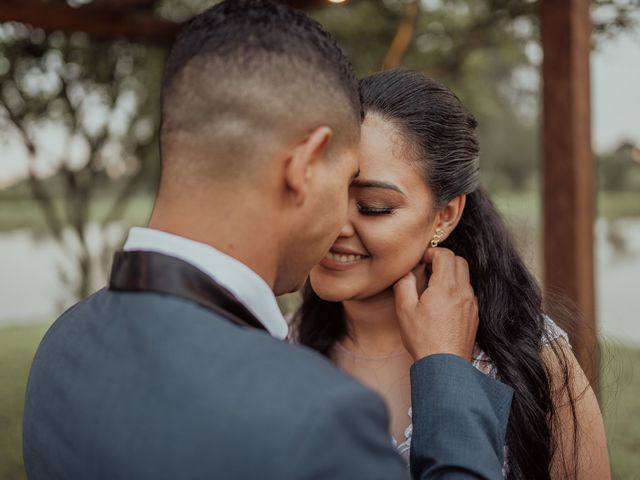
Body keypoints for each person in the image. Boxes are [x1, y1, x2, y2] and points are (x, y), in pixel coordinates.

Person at [23, 3, 513, 479]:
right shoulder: (313, 417)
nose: (341, 221)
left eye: (372, 205)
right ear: (304, 167)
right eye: (344, 182)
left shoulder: (63, 344)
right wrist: (448, 374)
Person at [293, 69, 611, 479]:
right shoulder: (275, 346)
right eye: (325, 193)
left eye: (373, 206)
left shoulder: (530, 358)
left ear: (444, 216)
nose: (336, 225)